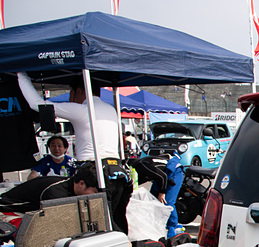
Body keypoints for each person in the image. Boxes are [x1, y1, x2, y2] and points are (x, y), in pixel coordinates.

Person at [17, 72, 133, 233]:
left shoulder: (83, 109)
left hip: (94, 172)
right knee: (117, 220)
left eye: (71, 94)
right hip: (118, 171)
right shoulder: (110, 109)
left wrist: (21, 75)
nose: (71, 99)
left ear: (78, 91)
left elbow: (36, 104)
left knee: (95, 223)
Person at [0, 162, 99, 213]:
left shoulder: (69, 184)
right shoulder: (56, 192)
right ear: (81, 183)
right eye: (94, 192)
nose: (95, 197)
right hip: (8, 210)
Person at [130, 154, 185, 237]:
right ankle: (158, 225)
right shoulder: (135, 170)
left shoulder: (142, 167)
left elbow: (163, 177)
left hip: (173, 173)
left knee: (167, 202)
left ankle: (174, 227)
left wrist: (162, 193)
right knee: (153, 201)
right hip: (161, 176)